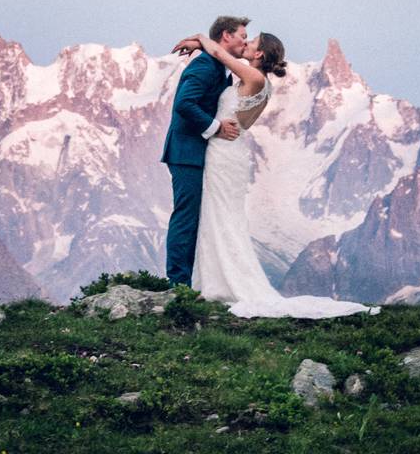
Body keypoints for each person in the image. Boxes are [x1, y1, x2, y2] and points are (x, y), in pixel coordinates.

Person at [170, 29, 381, 319]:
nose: (246, 44)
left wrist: (198, 39)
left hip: (223, 151)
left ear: (259, 54)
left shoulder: (254, 78)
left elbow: (219, 53)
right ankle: (213, 281)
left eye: (252, 42)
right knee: (218, 216)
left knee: (220, 216)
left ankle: (221, 283)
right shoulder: (260, 82)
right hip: (228, 151)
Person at [161, 16, 249, 287]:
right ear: (226, 36)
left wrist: (199, 40)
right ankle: (178, 283)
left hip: (197, 152)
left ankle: (189, 281)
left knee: (195, 216)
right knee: (186, 216)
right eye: (242, 36)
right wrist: (216, 127)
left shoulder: (217, 64)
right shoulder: (205, 65)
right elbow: (185, 104)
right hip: (186, 152)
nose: (245, 41)